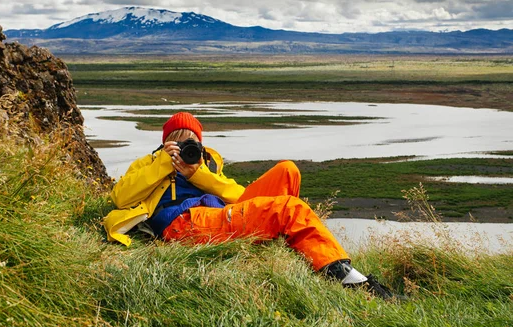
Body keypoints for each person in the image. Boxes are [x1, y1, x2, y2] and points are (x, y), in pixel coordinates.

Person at [103, 112, 399, 300]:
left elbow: (238, 195)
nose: (185, 150)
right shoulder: (149, 162)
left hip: (218, 214)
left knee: (288, 170)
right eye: (177, 143)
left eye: (191, 142)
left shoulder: (207, 163)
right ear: (165, 143)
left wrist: (200, 174)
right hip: (185, 222)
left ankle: (288, 241)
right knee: (287, 209)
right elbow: (121, 197)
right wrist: (162, 163)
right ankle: (345, 277)